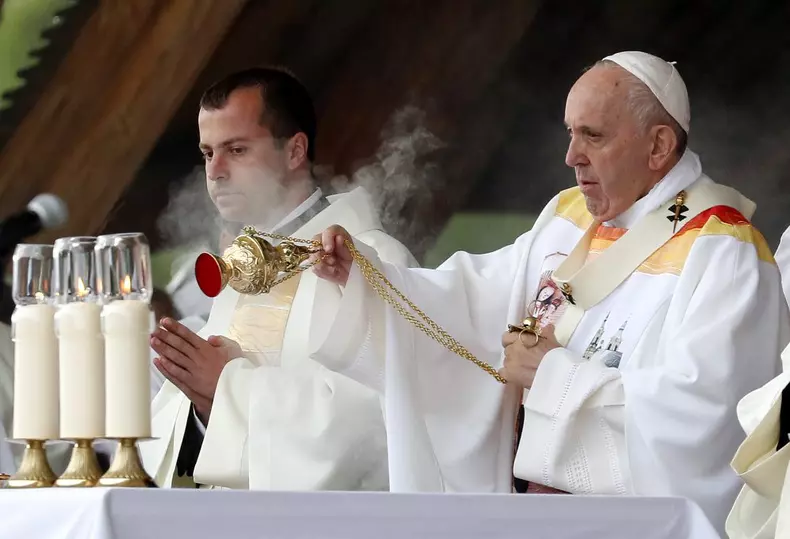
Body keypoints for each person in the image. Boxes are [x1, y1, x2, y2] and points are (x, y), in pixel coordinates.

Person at [308, 51, 788, 534]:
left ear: (658, 146)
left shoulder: (723, 252)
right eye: (570, 132)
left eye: (593, 136)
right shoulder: (568, 217)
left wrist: (555, 377)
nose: (571, 155)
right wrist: (369, 279)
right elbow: (472, 302)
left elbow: (709, 422)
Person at [140, 67, 417, 490]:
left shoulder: (370, 260)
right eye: (207, 153)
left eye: (236, 150)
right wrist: (201, 404)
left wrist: (225, 386)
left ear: (294, 151)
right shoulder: (245, 267)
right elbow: (194, 434)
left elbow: (368, 428)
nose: (215, 172)